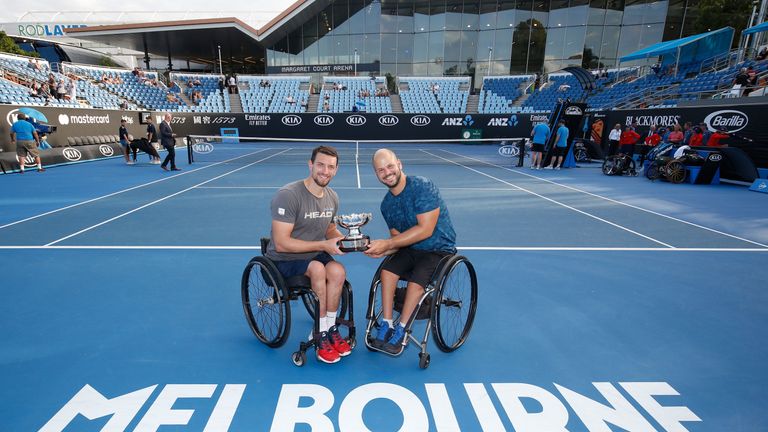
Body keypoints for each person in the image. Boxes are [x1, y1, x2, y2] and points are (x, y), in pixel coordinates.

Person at [365, 149, 457, 355]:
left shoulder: (422, 187)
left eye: (390, 166)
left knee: (417, 281)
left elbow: (425, 229)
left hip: (438, 249)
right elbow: (398, 238)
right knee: (387, 272)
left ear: (399, 164)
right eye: (381, 170)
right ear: (376, 174)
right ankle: (387, 324)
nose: (387, 172)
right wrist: (381, 249)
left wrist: (388, 244)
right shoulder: (386, 205)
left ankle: (402, 329)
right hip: (411, 249)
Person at [265, 146, 351, 364]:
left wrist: (348, 241)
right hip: (283, 259)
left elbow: (330, 228)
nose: (325, 171)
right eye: (321, 165)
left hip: (314, 253)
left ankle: (330, 328)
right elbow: (282, 243)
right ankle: (319, 333)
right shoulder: (289, 195)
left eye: (331, 167)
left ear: (336, 170)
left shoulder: (332, 196)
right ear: (310, 165)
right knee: (318, 268)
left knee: (338, 271)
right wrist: (323, 244)